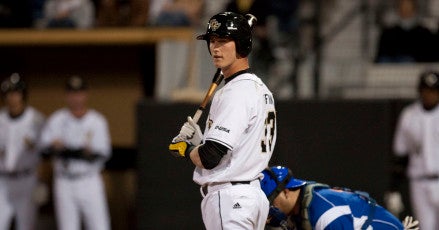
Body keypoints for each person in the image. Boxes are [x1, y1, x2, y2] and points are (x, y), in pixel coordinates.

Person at [168, 11, 277, 229]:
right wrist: (202, 141)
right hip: (251, 196)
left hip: (230, 199)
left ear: (242, 45)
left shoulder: (236, 91)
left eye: (224, 41)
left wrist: (186, 149)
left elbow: (210, 157)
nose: (215, 47)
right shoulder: (258, 88)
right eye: (213, 40)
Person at [39, 76, 111, 230]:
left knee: (100, 226)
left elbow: (102, 154)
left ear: (85, 94)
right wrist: (73, 151)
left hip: (89, 180)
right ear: (67, 95)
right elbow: (44, 148)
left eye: (79, 93)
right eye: (72, 93)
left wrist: (66, 150)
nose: (76, 97)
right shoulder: (57, 119)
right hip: (64, 181)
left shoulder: (97, 121)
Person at [260, 165, 420, 230]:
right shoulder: (302, 210)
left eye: (270, 200)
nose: (269, 210)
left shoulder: (324, 211)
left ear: (287, 191)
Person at [384, 70, 439, 230]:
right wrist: (393, 188)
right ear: (420, 91)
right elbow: (401, 154)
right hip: (419, 182)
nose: (430, 94)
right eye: (426, 90)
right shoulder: (409, 115)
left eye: (434, 91)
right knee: (426, 227)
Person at [0, 73, 45, 230]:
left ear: (23, 96)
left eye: (16, 93)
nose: (12, 97)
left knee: (25, 225)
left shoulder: (36, 119)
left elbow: (44, 152)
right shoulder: (1, 119)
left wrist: (42, 180)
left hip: (27, 179)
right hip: (3, 181)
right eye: (9, 93)